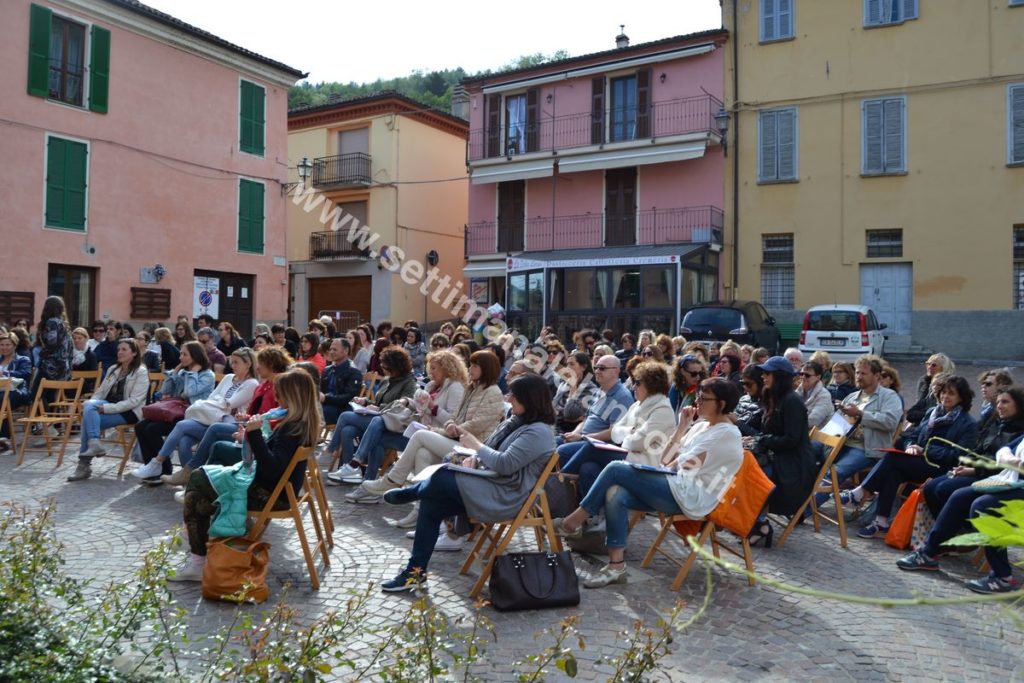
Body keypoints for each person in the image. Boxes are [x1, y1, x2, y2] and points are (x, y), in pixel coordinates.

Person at [553, 378, 743, 589]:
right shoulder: (702, 426)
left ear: (722, 404)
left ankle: (572, 522)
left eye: (704, 398)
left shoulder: (725, 433)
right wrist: (682, 428)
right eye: (698, 396)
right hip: (677, 484)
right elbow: (666, 459)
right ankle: (616, 567)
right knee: (615, 492)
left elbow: (679, 465)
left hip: (692, 495)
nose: (697, 401)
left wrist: (673, 461)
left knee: (616, 468)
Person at [377, 373, 557, 592]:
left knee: (442, 477)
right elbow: (492, 453)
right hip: (489, 483)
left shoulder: (538, 432)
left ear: (529, 400)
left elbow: (505, 464)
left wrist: (477, 447)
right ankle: (415, 572)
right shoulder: (515, 421)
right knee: (431, 504)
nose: (508, 398)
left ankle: (412, 492)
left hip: (505, 495)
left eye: (514, 396)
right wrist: (474, 457)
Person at [173, 369, 321, 582]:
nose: (276, 399)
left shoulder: (291, 429)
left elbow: (272, 467)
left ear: (293, 397)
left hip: (270, 494)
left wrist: (254, 434)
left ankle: (195, 550)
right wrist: (252, 437)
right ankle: (194, 546)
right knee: (198, 491)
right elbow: (276, 458)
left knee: (197, 486)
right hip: (277, 488)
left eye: (280, 395)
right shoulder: (299, 424)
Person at [361, 350, 506, 527]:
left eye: (475, 366)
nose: (470, 368)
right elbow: (455, 417)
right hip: (458, 440)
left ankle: (392, 480)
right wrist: (447, 426)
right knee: (422, 454)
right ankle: (420, 512)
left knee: (420, 436)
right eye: (471, 364)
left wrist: (448, 429)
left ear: (487, 369)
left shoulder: (492, 392)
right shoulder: (471, 388)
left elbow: (478, 424)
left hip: (472, 450)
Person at [843, 375, 978, 538]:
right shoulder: (932, 413)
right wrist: (910, 447)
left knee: (893, 459)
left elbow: (958, 456)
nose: (945, 397)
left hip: (942, 469)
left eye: (951, 394)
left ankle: (861, 492)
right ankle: (881, 521)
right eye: (943, 392)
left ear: (961, 397)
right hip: (919, 462)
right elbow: (909, 435)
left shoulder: (967, 423)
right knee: (893, 470)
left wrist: (925, 449)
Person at [896, 430, 1024, 593]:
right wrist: (1012, 460)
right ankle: (929, 554)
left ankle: (1002, 577)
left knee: (983, 506)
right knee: (960, 496)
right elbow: (1003, 450)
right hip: (1011, 483)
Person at [344, 350, 468, 503]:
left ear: (447, 368)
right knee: (378, 437)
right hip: (419, 431)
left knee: (364, 422)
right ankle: (369, 487)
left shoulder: (455, 387)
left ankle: (388, 480)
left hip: (436, 436)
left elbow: (452, 421)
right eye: (430, 368)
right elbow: (419, 406)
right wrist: (408, 402)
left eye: (434, 368)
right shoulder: (431, 386)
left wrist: (433, 407)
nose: (430, 372)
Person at [132, 348, 259, 484]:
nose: (232, 366)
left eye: (236, 363)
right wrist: (219, 402)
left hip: (230, 423)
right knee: (183, 433)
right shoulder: (228, 378)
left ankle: (165, 467)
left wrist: (218, 402)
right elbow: (213, 398)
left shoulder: (251, 383)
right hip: (209, 417)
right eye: (232, 362)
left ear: (248, 364)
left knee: (181, 433)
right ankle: (176, 472)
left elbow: (230, 403)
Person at [172, 346, 292, 483]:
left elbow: (273, 419)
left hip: (256, 435)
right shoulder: (263, 386)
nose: (257, 368)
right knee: (185, 438)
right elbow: (259, 415)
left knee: (214, 436)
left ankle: (193, 477)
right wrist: (246, 418)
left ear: (270, 365)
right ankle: (193, 481)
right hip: (245, 427)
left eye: (261, 364)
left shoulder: (275, 387)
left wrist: (249, 431)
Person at [558, 361, 676, 501]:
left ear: (651, 384)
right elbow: (615, 431)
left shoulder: (663, 410)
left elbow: (636, 443)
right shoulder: (638, 405)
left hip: (645, 463)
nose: (633, 386)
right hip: (628, 454)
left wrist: (625, 434)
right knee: (588, 467)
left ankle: (558, 482)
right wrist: (631, 431)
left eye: (637, 382)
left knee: (585, 448)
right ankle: (588, 514)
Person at [743, 357, 815, 545]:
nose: (763, 377)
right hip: (779, 456)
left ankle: (760, 524)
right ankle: (755, 521)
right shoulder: (774, 397)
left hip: (793, 464)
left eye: (767, 374)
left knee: (755, 477)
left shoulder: (792, 402)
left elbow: (791, 440)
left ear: (779, 377)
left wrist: (762, 439)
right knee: (744, 468)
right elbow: (765, 430)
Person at [816, 355, 903, 507]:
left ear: (876, 376)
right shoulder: (852, 397)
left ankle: (804, 510)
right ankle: (795, 498)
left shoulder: (889, 396)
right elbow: (837, 425)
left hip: (867, 447)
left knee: (836, 472)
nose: (858, 376)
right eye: (857, 372)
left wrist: (860, 414)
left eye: (863, 373)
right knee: (806, 451)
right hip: (841, 441)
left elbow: (890, 422)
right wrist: (839, 415)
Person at [325, 346, 418, 484]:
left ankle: (334, 450)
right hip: (377, 417)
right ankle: (347, 473)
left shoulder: (409, 383)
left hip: (391, 422)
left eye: (385, 364)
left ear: (395, 366)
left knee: (345, 416)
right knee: (347, 430)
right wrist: (365, 402)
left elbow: (402, 408)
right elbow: (378, 402)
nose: (382, 367)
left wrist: (377, 407)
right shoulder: (387, 380)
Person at [130, 341, 215, 483]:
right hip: (175, 412)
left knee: (152, 429)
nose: (180, 357)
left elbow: (190, 392)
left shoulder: (207, 375)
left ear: (195, 356)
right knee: (141, 426)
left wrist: (192, 373)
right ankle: (151, 469)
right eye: (181, 353)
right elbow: (166, 391)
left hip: (192, 416)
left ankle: (163, 469)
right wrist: (175, 372)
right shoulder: (182, 371)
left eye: (184, 354)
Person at [66, 340, 150, 481]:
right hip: (106, 406)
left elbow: (134, 401)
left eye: (124, 349)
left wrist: (105, 408)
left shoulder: (140, 372)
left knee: (88, 420)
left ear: (134, 353)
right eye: (118, 349)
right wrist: (91, 405)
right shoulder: (113, 369)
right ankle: (94, 443)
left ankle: (83, 466)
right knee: (89, 409)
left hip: (129, 412)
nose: (119, 352)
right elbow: (100, 392)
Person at [556, 355, 633, 460]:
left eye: (602, 368)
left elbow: (613, 432)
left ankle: (557, 476)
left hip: (598, 446)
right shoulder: (598, 391)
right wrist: (574, 433)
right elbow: (586, 419)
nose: (597, 371)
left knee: (561, 451)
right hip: (584, 440)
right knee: (551, 441)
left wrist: (583, 438)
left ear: (616, 371)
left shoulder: (623, 396)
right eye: (596, 367)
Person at [552, 351, 599, 439]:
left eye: (572, 364)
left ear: (583, 367)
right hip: (555, 426)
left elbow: (570, 414)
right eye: (567, 364)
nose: (568, 368)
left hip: (570, 432)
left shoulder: (590, 389)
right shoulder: (563, 384)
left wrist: (573, 389)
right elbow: (553, 407)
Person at [319, 338, 364, 427]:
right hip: (324, 406)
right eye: (330, 349)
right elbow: (320, 390)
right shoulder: (327, 370)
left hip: (340, 409)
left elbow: (349, 397)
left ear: (346, 351)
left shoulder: (353, 372)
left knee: (311, 413)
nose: (331, 352)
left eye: (335, 349)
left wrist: (326, 398)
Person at [0, 332, 33, 450]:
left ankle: (4, 436)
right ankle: (3, 438)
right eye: (2, 345)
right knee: (2, 399)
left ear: (14, 345)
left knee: (3, 399)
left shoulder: (23, 359)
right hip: (2, 392)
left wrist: (6, 373)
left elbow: (26, 374)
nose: (4, 347)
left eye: (7, 345)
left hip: (18, 391)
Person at [906, 353, 956, 428]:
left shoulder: (951, 385)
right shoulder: (923, 381)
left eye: (934, 365)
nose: (929, 367)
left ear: (943, 368)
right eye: (928, 364)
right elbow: (918, 404)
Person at [799, 361, 833, 429]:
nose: (803, 377)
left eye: (807, 375)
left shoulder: (824, 395)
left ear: (818, 377)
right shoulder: (797, 392)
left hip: (819, 436)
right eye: (801, 374)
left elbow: (812, 421)